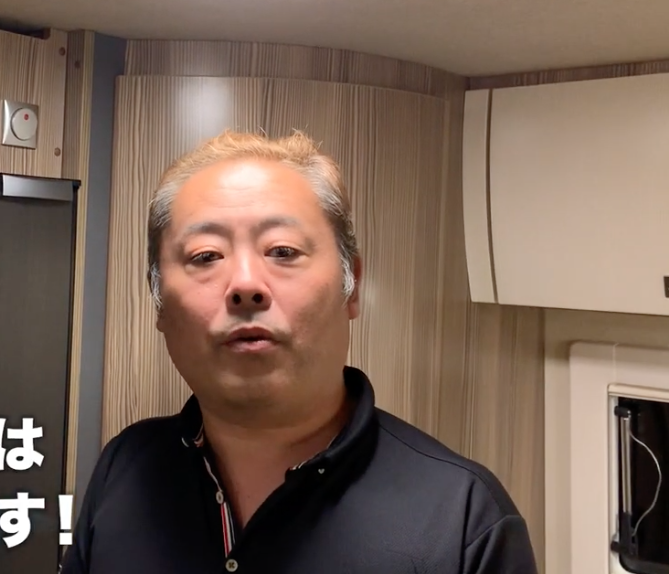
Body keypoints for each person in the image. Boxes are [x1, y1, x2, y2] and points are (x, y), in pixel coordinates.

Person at [59, 129, 538, 573]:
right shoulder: (125, 468)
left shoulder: (463, 521)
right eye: (206, 256)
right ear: (159, 302)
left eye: (283, 251)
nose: (246, 284)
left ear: (352, 287)